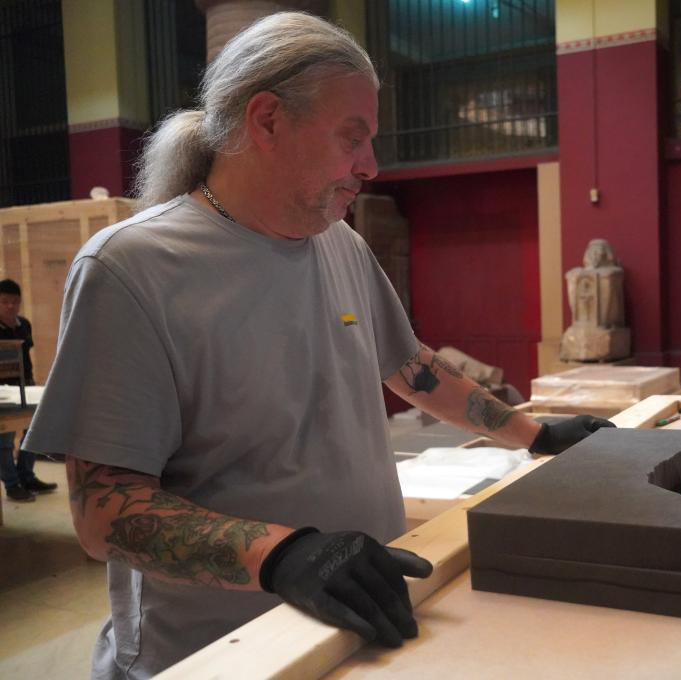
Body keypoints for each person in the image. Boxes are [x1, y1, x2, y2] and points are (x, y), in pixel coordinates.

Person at [21, 12, 613, 679]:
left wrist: (537, 434)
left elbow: (411, 367)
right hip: (216, 656)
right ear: (268, 119)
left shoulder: (341, 244)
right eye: (351, 137)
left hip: (353, 629)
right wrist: (282, 555)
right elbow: (103, 510)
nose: (371, 165)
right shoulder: (131, 269)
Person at [0, 278, 57, 502]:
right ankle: (12, 484)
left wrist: (30, 382)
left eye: (15, 301)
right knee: (5, 440)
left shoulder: (24, 325)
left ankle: (27, 476)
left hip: (26, 385)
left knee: (33, 432)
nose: (10, 306)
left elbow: (25, 355)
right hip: (3, 391)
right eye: (4, 301)